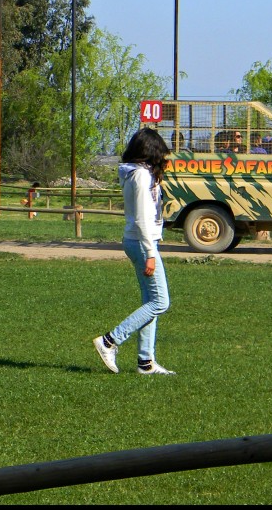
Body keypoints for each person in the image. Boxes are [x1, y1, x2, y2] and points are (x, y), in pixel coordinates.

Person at [93, 128, 175, 375]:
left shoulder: (139, 174)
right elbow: (141, 220)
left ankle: (145, 362)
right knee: (161, 302)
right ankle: (110, 341)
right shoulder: (139, 176)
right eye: (159, 151)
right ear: (149, 151)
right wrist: (150, 252)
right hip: (142, 242)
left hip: (142, 241)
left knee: (150, 301)